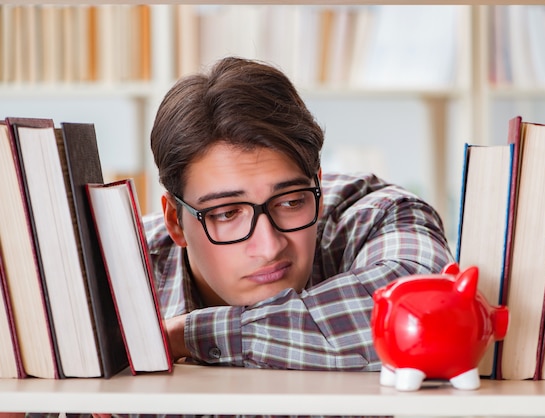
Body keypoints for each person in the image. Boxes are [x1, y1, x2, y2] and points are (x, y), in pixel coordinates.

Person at [147, 56, 454, 370]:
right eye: (226, 213)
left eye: (291, 202)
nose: (269, 246)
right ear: (175, 221)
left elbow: (431, 310)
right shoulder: (115, 266)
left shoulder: (379, 214)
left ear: (318, 189)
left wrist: (185, 336)